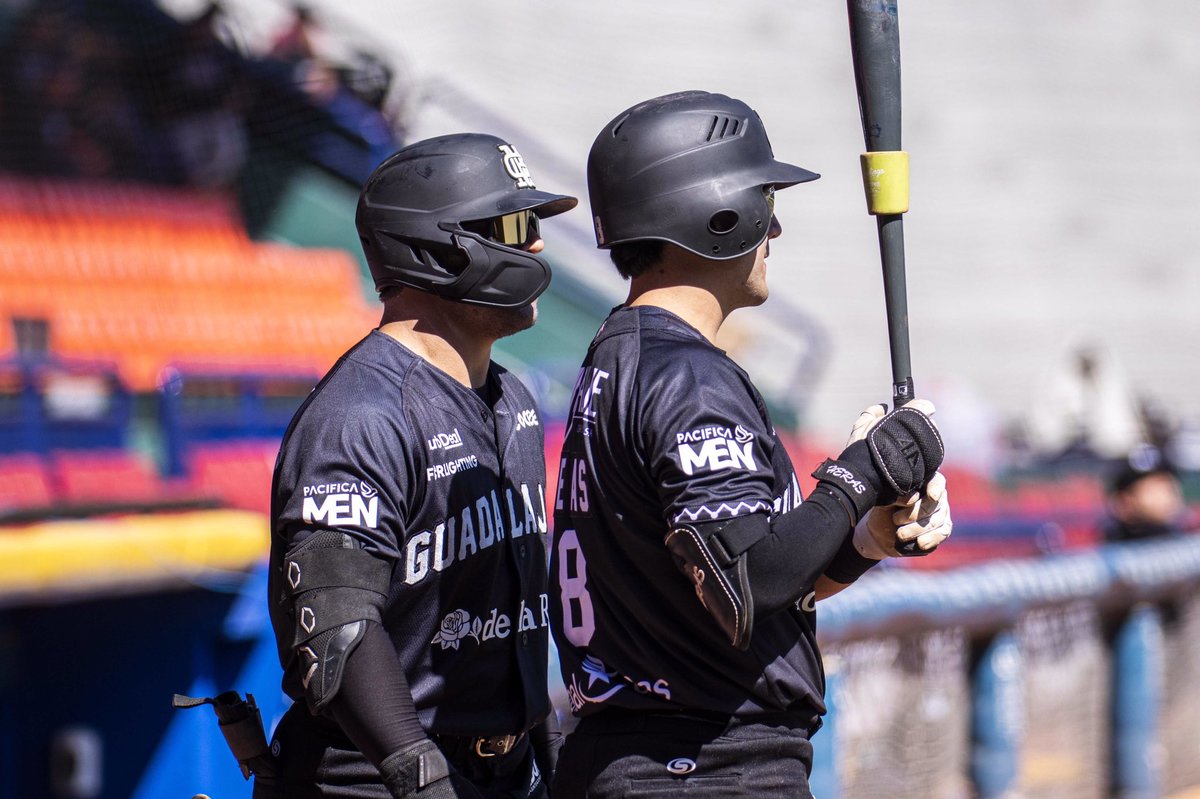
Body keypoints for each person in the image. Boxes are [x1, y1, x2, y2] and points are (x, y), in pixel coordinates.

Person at [547, 91, 953, 798]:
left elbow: (737, 596)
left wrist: (864, 540)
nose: (776, 228)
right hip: (703, 768)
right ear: (713, 212)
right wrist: (866, 468)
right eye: (764, 201)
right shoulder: (687, 378)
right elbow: (749, 581)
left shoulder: (623, 356)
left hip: (655, 758)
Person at [257, 133, 577, 798]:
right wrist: (421, 776)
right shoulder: (361, 415)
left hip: (499, 773)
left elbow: (521, 622)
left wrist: (551, 757)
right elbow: (336, 630)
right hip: (372, 778)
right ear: (439, 248)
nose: (537, 246)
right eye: (516, 226)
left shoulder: (511, 397)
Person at [1103, 442, 1186, 542]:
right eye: (1153, 490)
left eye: (1168, 487)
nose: (1165, 496)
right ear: (1125, 500)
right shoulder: (1109, 548)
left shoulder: (1182, 540)